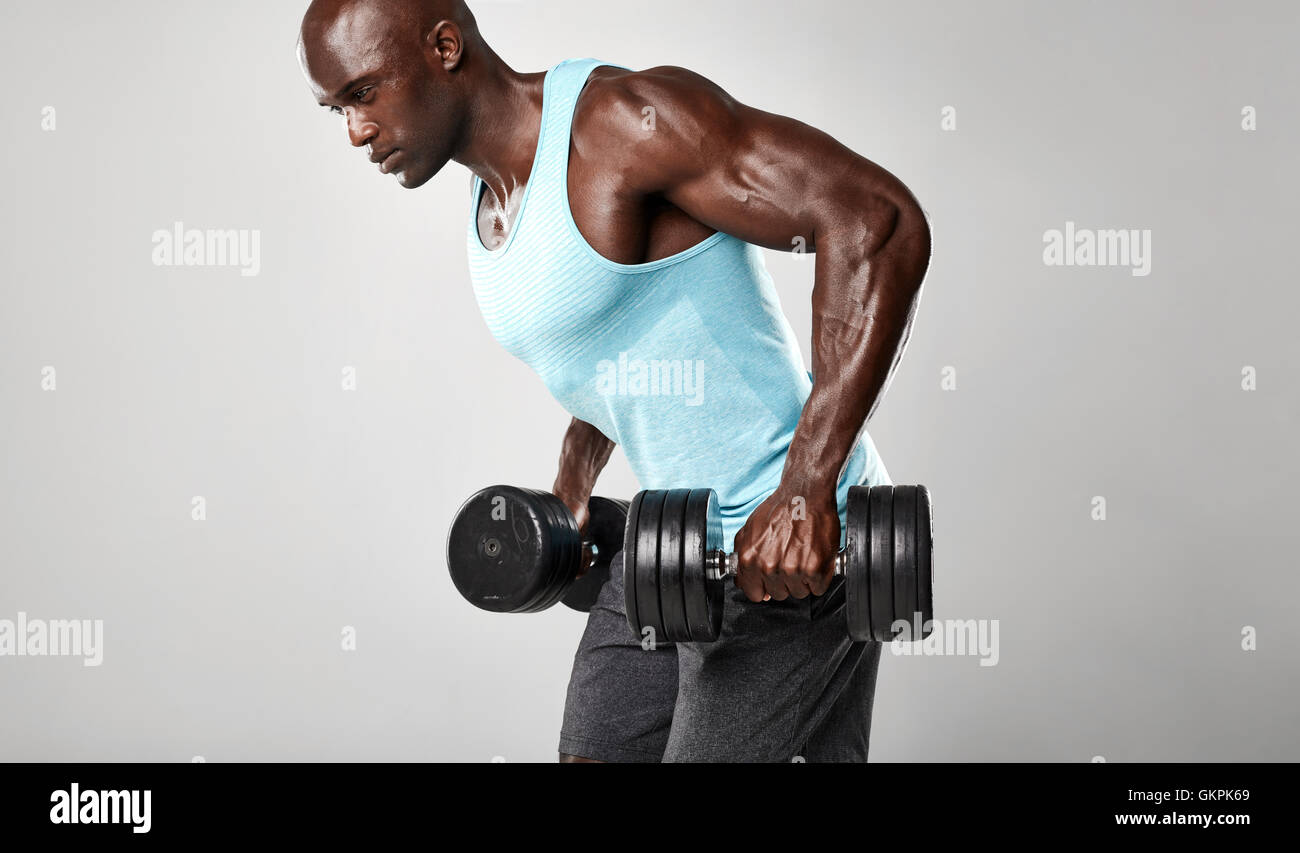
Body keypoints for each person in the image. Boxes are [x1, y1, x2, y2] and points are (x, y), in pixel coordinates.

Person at [298, 0, 932, 762]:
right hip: (669, 540)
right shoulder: (490, 197)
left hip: (785, 560)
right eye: (336, 108)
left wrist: (806, 486)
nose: (355, 131)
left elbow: (874, 220)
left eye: (364, 93)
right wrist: (571, 482)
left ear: (443, 46)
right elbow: (614, 340)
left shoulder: (623, 125)